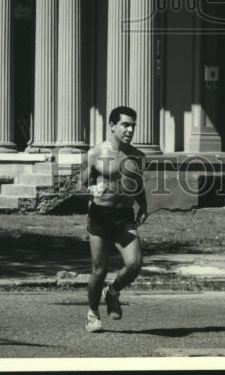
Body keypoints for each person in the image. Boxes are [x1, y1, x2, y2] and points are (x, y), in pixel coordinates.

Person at [79, 105, 148, 333]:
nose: (129, 130)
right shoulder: (96, 153)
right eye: (125, 124)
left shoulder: (138, 156)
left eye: (132, 126)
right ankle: (92, 312)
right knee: (99, 270)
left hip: (124, 217)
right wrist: (90, 190)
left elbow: (137, 185)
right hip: (100, 216)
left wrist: (143, 206)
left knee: (134, 264)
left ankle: (113, 292)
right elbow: (78, 186)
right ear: (112, 125)